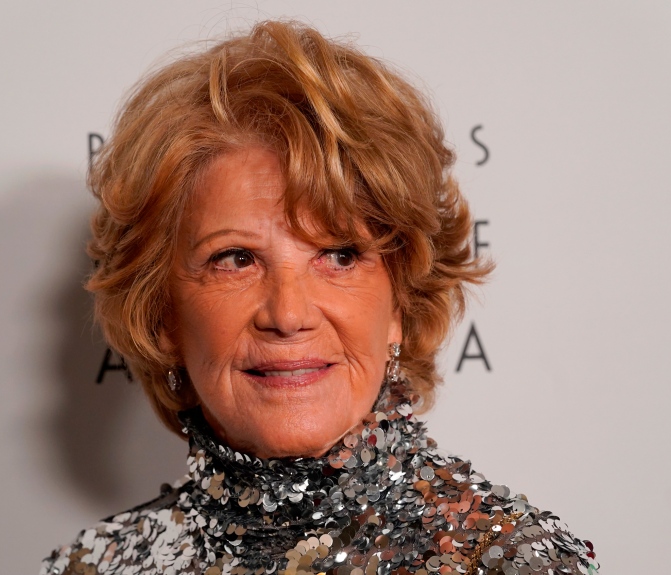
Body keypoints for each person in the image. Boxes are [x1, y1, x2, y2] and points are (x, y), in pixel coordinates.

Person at [41, 20, 598, 575]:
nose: (288, 315)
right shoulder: (89, 567)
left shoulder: (510, 563)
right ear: (162, 315)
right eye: (236, 259)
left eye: (339, 256)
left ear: (400, 302)